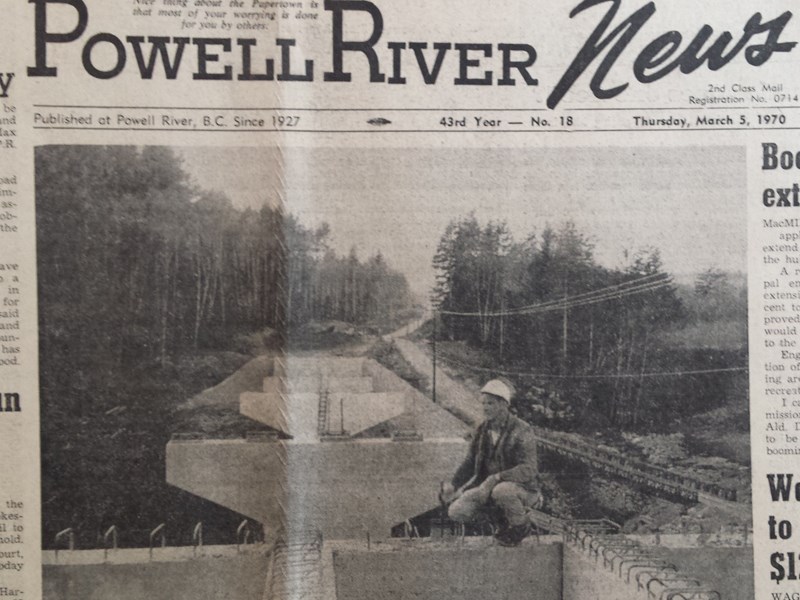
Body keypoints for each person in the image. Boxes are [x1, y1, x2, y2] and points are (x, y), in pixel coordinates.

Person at [441, 377, 541, 546]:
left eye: (491, 404)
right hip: (487, 488)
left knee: (501, 491)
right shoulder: (482, 429)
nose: (485, 408)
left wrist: (497, 477)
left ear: (504, 405)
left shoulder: (522, 430)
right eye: (483, 403)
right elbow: (470, 461)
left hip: (523, 490)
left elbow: (529, 469)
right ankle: (500, 523)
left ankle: (521, 527)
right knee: (456, 511)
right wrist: (454, 484)